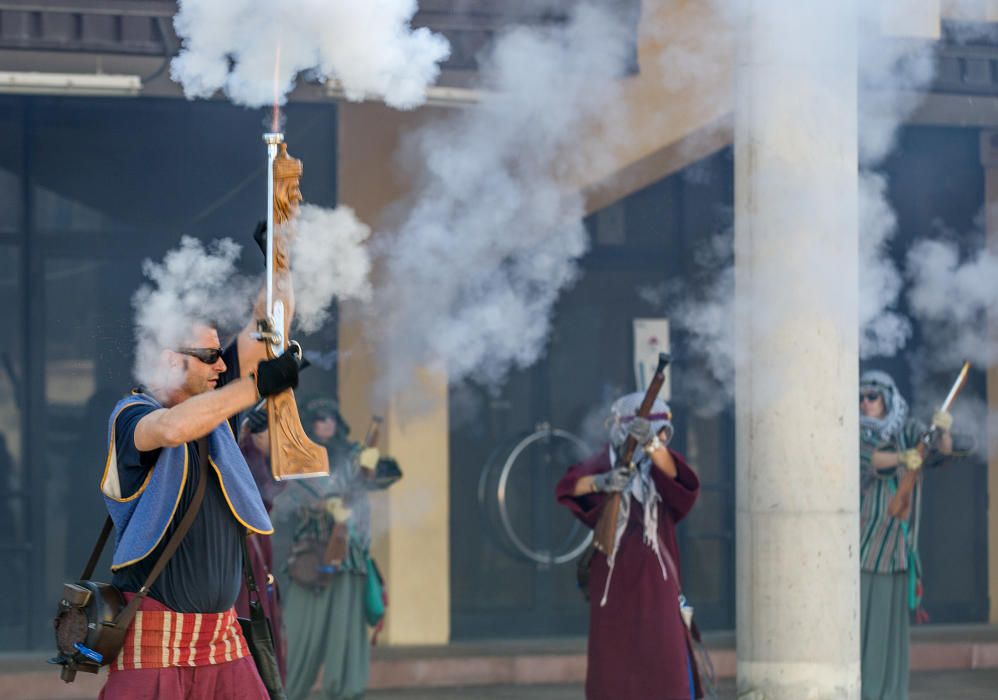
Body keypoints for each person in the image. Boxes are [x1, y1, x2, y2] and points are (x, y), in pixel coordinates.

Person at [98, 259, 300, 698]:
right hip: (157, 640)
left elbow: (265, 332)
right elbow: (172, 429)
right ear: (172, 361)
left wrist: (280, 260)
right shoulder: (131, 414)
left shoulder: (215, 406)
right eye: (209, 356)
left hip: (222, 640)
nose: (220, 367)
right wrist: (255, 388)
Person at [555, 392, 701, 700]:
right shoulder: (601, 462)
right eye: (653, 430)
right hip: (612, 578)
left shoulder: (662, 463)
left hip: (656, 580)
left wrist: (650, 442)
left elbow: (678, 478)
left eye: (662, 433)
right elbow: (570, 486)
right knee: (613, 669)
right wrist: (603, 482)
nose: (662, 438)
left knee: (666, 663)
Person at [277, 398, 400, 700]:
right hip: (309, 556)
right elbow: (282, 501)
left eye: (331, 417)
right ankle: (286, 692)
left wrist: (374, 465)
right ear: (311, 423)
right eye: (320, 418)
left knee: (345, 634)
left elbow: (387, 477)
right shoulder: (298, 457)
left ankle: (347, 692)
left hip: (348, 553)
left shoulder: (356, 453)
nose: (326, 424)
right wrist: (318, 504)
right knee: (298, 630)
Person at [858, 369, 953, 700]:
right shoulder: (854, 430)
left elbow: (940, 451)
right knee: (864, 635)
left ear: (887, 398)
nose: (865, 403)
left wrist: (941, 430)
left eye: (872, 396)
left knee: (892, 638)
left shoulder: (908, 427)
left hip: (898, 548)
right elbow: (871, 458)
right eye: (861, 397)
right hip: (866, 549)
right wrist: (902, 457)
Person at [235, 406, 288, 681]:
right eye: (271, 433)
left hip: (260, 553)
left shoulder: (258, 458)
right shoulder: (245, 455)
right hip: (245, 555)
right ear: (256, 435)